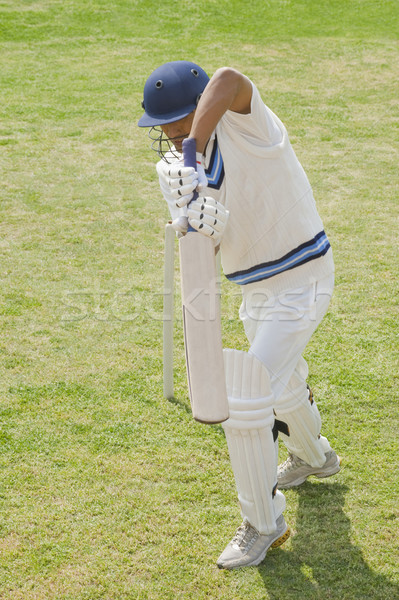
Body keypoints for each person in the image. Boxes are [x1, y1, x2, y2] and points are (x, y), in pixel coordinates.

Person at [138, 61, 341, 570]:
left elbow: (227, 78)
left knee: (247, 395)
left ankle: (263, 524)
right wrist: (195, 224)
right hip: (257, 292)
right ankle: (316, 458)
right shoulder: (173, 170)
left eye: (177, 126)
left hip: (303, 279)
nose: (169, 139)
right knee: (282, 381)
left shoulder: (249, 122)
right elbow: (199, 259)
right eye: (163, 131)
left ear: (199, 110)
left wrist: (194, 152)